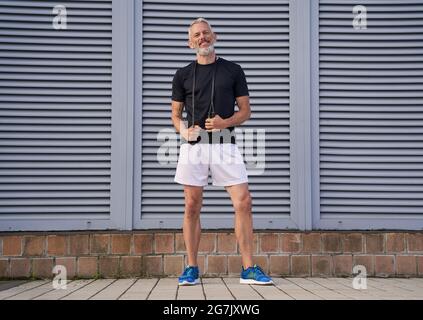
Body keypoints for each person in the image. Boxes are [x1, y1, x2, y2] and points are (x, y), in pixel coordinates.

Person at [171, 18, 273, 286]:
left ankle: (249, 268)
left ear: (214, 36)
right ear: (190, 42)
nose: (202, 38)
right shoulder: (182, 74)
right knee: (191, 205)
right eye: (196, 35)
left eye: (206, 33)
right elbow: (175, 115)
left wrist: (223, 123)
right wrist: (184, 132)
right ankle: (192, 267)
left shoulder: (233, 70)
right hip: (194, 147)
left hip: (225, 143)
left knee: (244, 201)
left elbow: (246, 111)